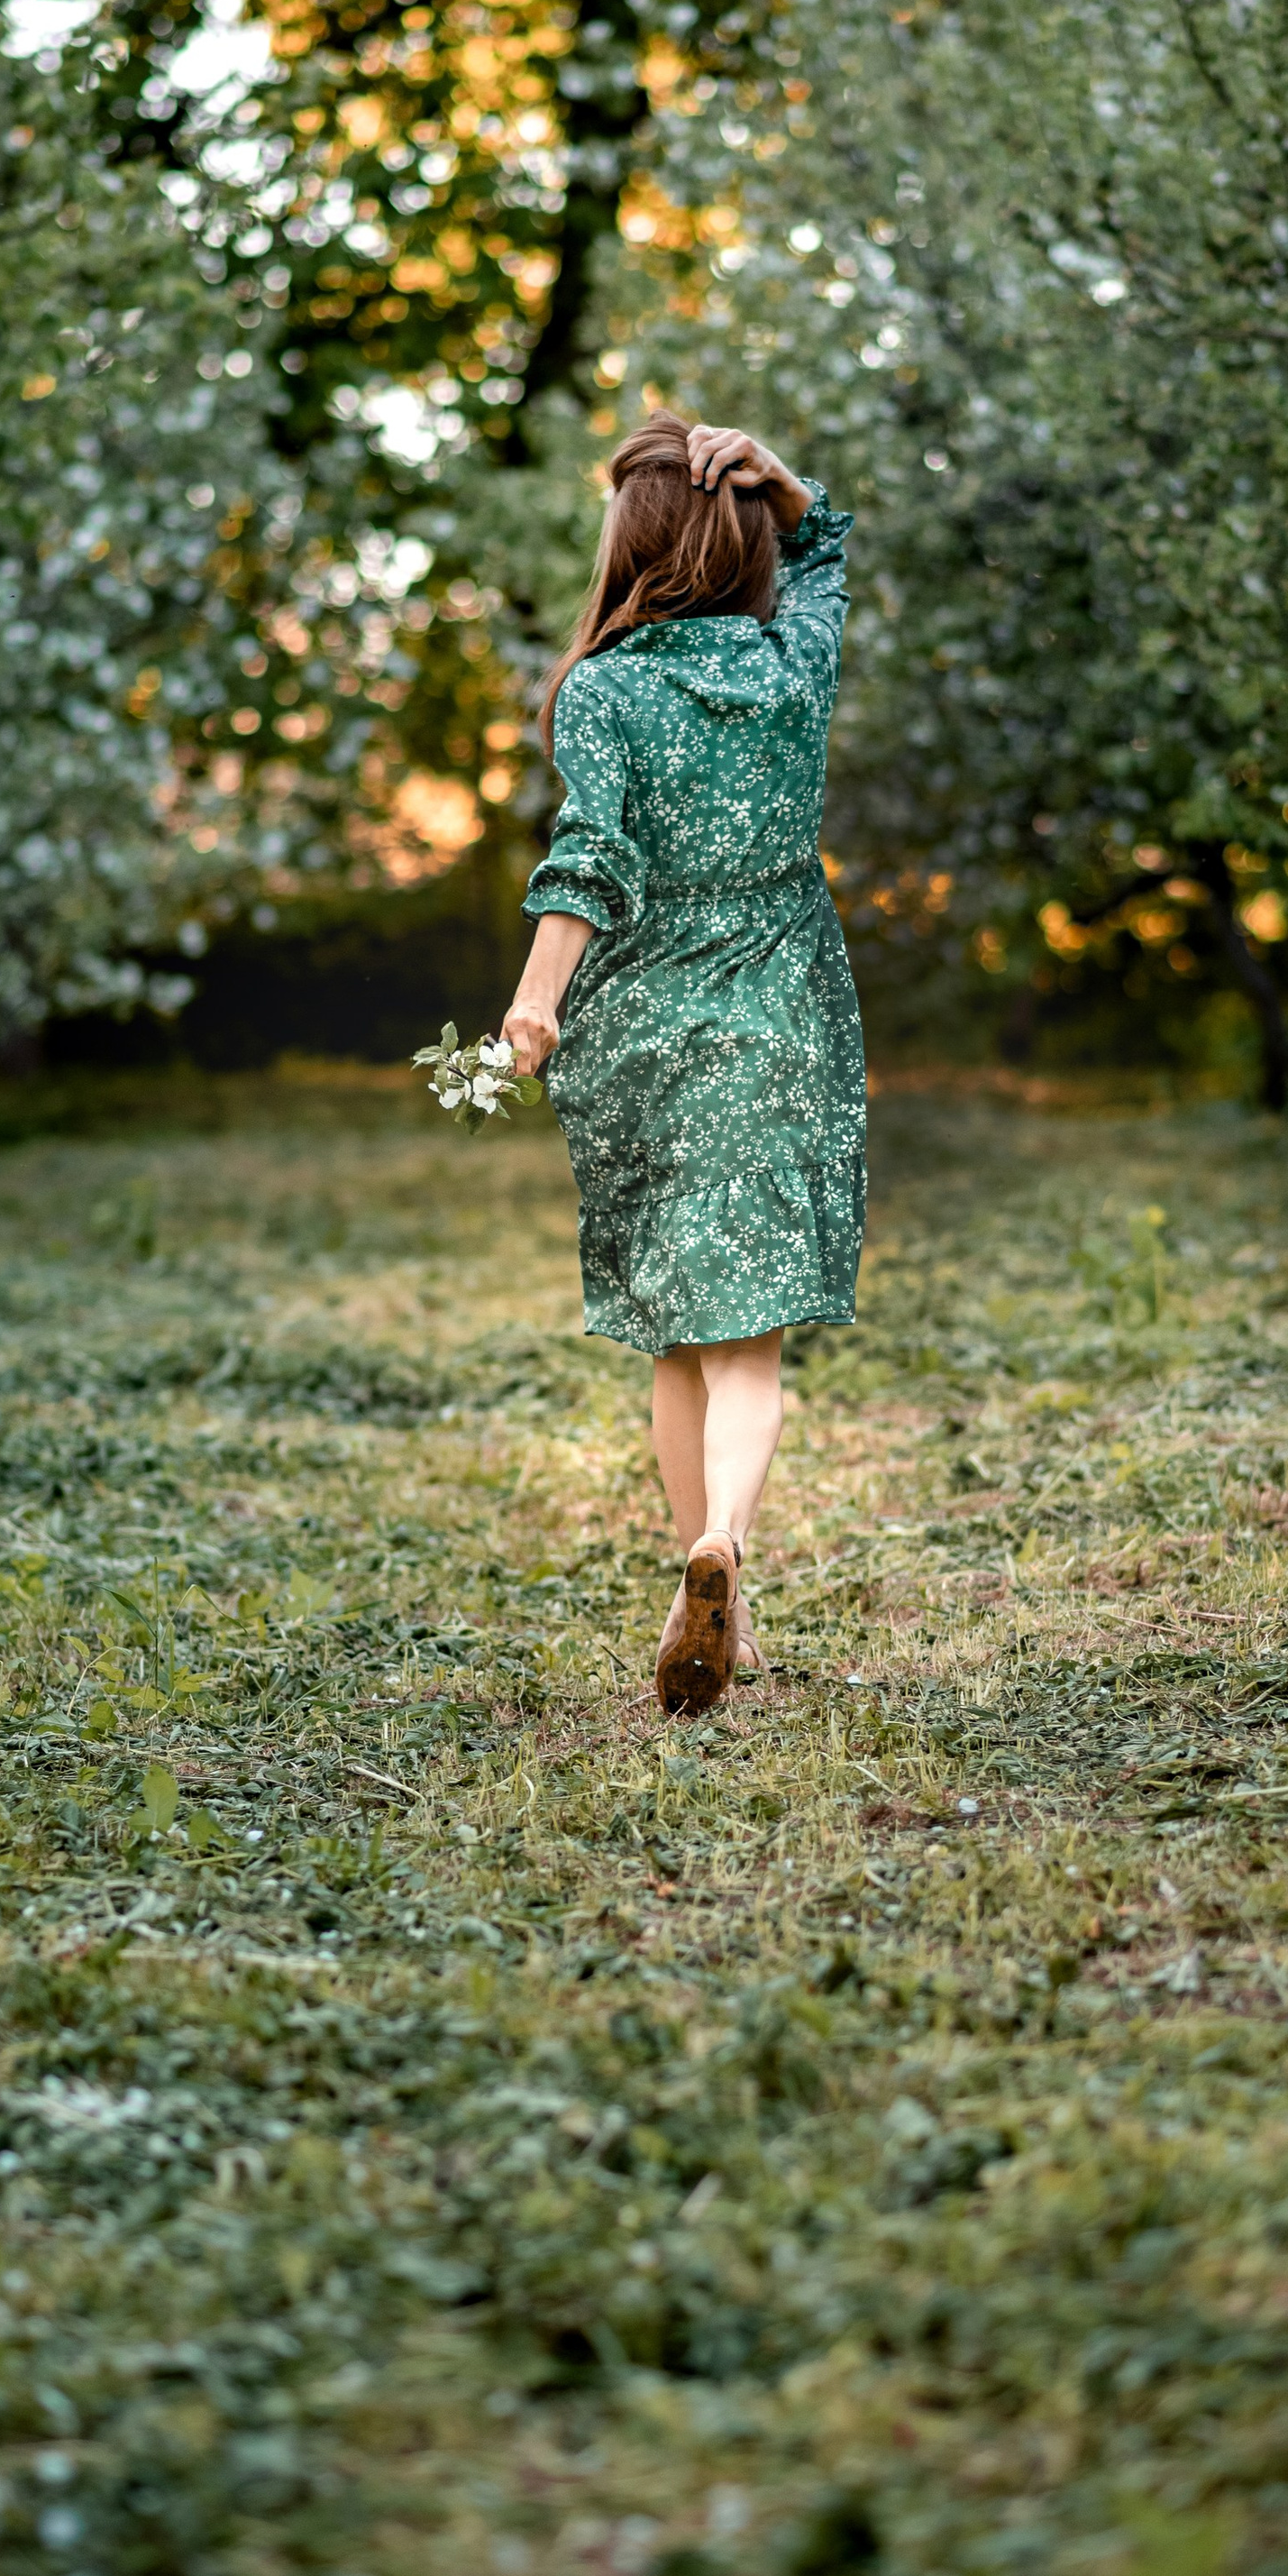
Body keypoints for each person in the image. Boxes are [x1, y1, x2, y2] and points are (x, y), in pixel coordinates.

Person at [499, 410, 865, 1715]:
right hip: (780, 1017)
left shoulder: (605, 691)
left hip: (643, 1027)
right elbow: (828, 550)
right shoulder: (790, 662)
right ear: (742, 542)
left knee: (675, 1336)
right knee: (748, 1346)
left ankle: (710, 1589)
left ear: (630, 548)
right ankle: (721, 1554)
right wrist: (779, 477)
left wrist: (535, 1002)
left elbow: (589, 857)